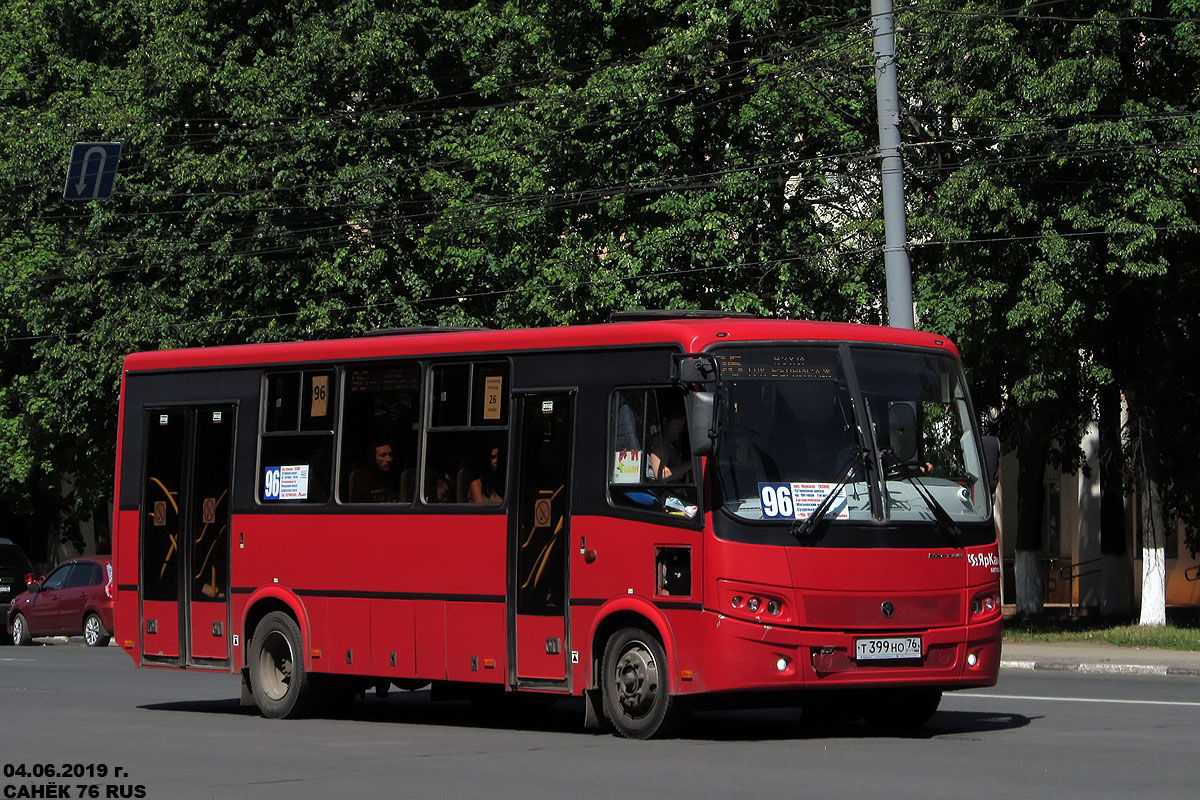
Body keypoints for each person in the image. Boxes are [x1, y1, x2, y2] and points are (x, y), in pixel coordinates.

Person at [649, 410, 689, 482]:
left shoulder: (671, 444)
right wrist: (691, 465)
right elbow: (661, 474)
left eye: (682, 425)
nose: (681, 429)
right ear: (665, 422)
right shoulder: (660, 443)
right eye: (678, 424)